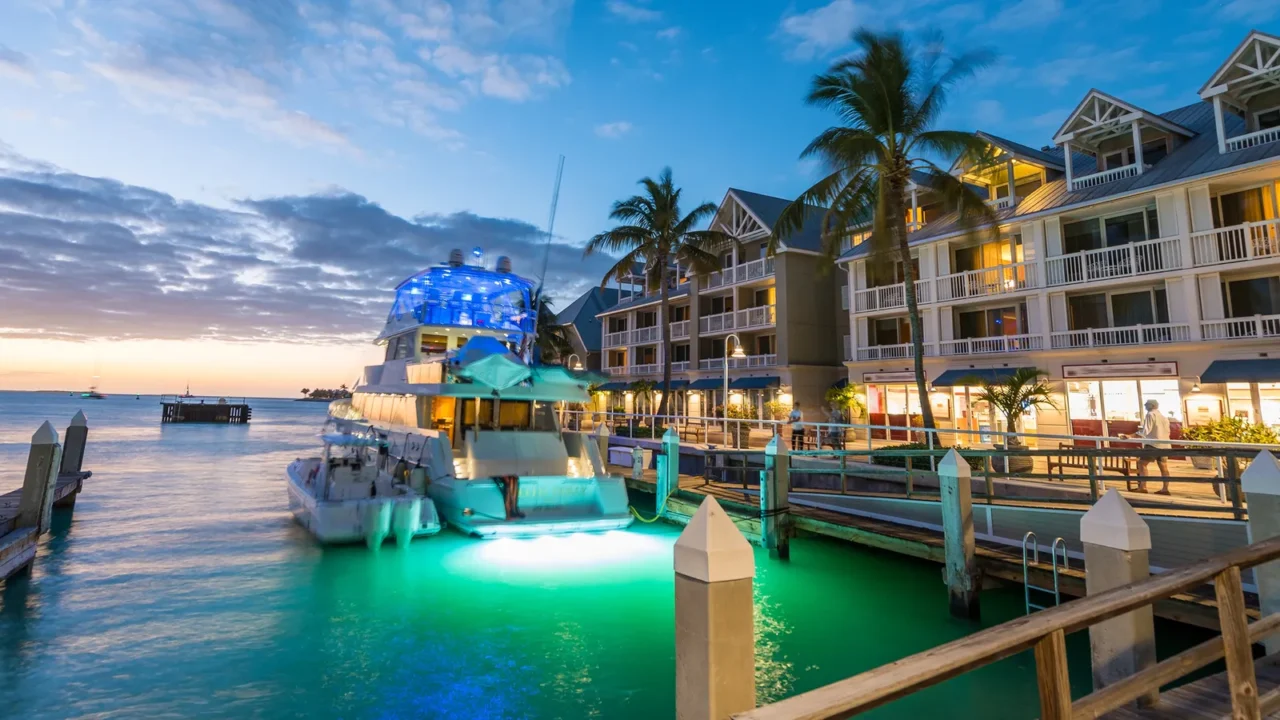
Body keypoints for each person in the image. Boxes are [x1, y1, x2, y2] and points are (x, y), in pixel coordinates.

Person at [1129, 399, 1171, 495]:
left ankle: (1143, 486)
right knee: (1164, 466)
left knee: (1142, 463)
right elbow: (1168, 432)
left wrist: (1131, 436)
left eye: (1146, 405)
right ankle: (1165, 489)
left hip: (1153, 444)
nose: (1145, 406)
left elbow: (1145, 431)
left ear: (1151, 406)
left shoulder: (1150, 414)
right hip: (1165, 445)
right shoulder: (1164, 417)